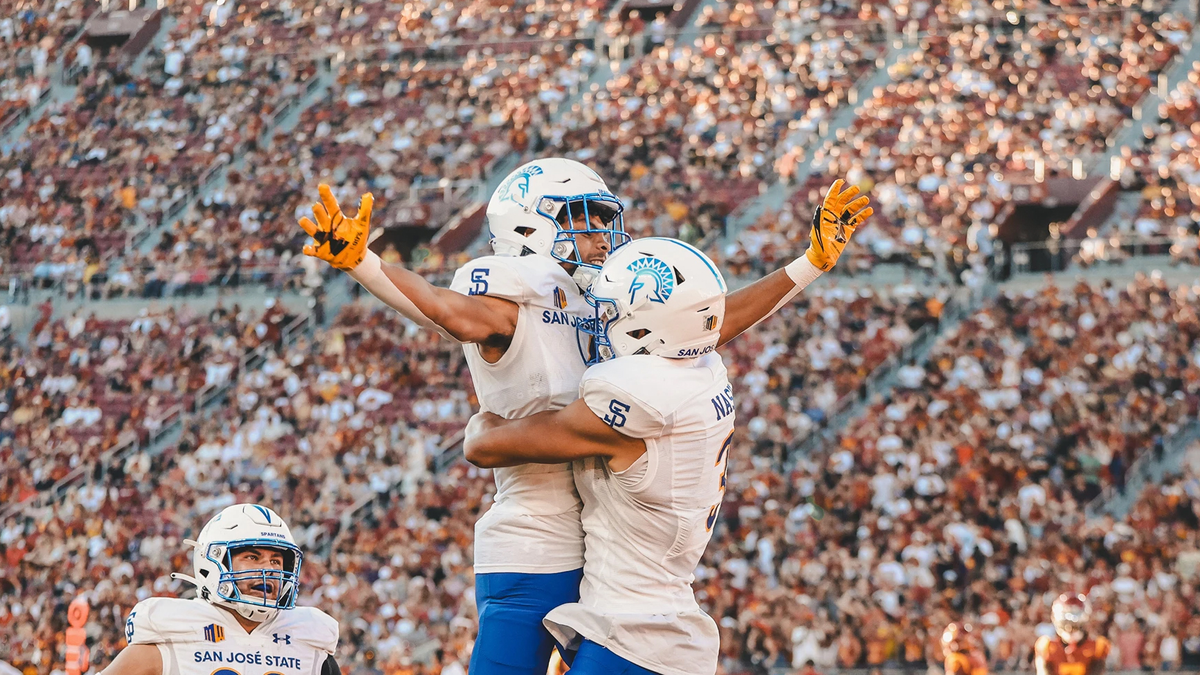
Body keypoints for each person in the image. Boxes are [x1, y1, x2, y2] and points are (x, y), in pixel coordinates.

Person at [298, 159, 872, 674]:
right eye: (581, 218)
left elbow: (700, 325)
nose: (600, 235)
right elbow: (449, 310)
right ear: (527, 229)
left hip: (597, 550)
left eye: (602, 218)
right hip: (537, 541)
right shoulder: (514, 299)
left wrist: (807, 265)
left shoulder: (602, 299)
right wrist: (366, 266)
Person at [462, 237, 753, 674]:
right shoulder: (702, 366)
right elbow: (709, 321)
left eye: (611, 312)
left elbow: (484, 446)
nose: (600, 321)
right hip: (655, 625)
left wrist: (484, 418)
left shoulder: (637, 395)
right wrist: (806, 267)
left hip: (635, 637)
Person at [99, 504, 339, 675]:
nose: (269, 569)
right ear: (213, 561)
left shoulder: (310, 643)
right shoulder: (173, 632)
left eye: (276, 561)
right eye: (253, 557)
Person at [1035, 593, 1111, 675]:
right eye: (1066, 624)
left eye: (1074, 626)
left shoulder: (1098, 646)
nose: (1069, 628)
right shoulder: (1046, 646)